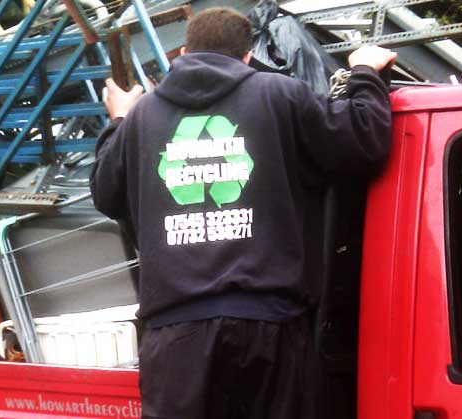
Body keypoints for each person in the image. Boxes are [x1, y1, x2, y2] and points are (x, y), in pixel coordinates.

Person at [90, 7, 395, 419]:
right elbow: (363, 142)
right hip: (270, 329)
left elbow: (106, 193)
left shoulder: (142, 117)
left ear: (182, 51)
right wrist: (363, 73)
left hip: (176, 338)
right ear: (247, 57)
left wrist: (119, 119)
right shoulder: (280, 94)